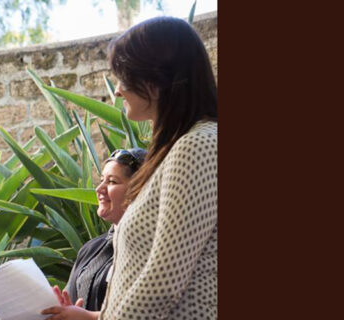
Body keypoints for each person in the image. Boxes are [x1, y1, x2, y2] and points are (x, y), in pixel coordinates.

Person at [96, 16, 217, 320]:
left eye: (124, 78)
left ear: (156, 82)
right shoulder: (180, 147)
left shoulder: (197, 146)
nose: (118, 91)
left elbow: (163, 283)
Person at [40, 148, 147, 320]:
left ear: (139, 190)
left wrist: (89, 317)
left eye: (112, 182)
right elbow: (72, 302)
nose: (99, 189)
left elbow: (149, 312)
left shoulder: (154, 250)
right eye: (102, 180)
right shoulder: (91, 249)